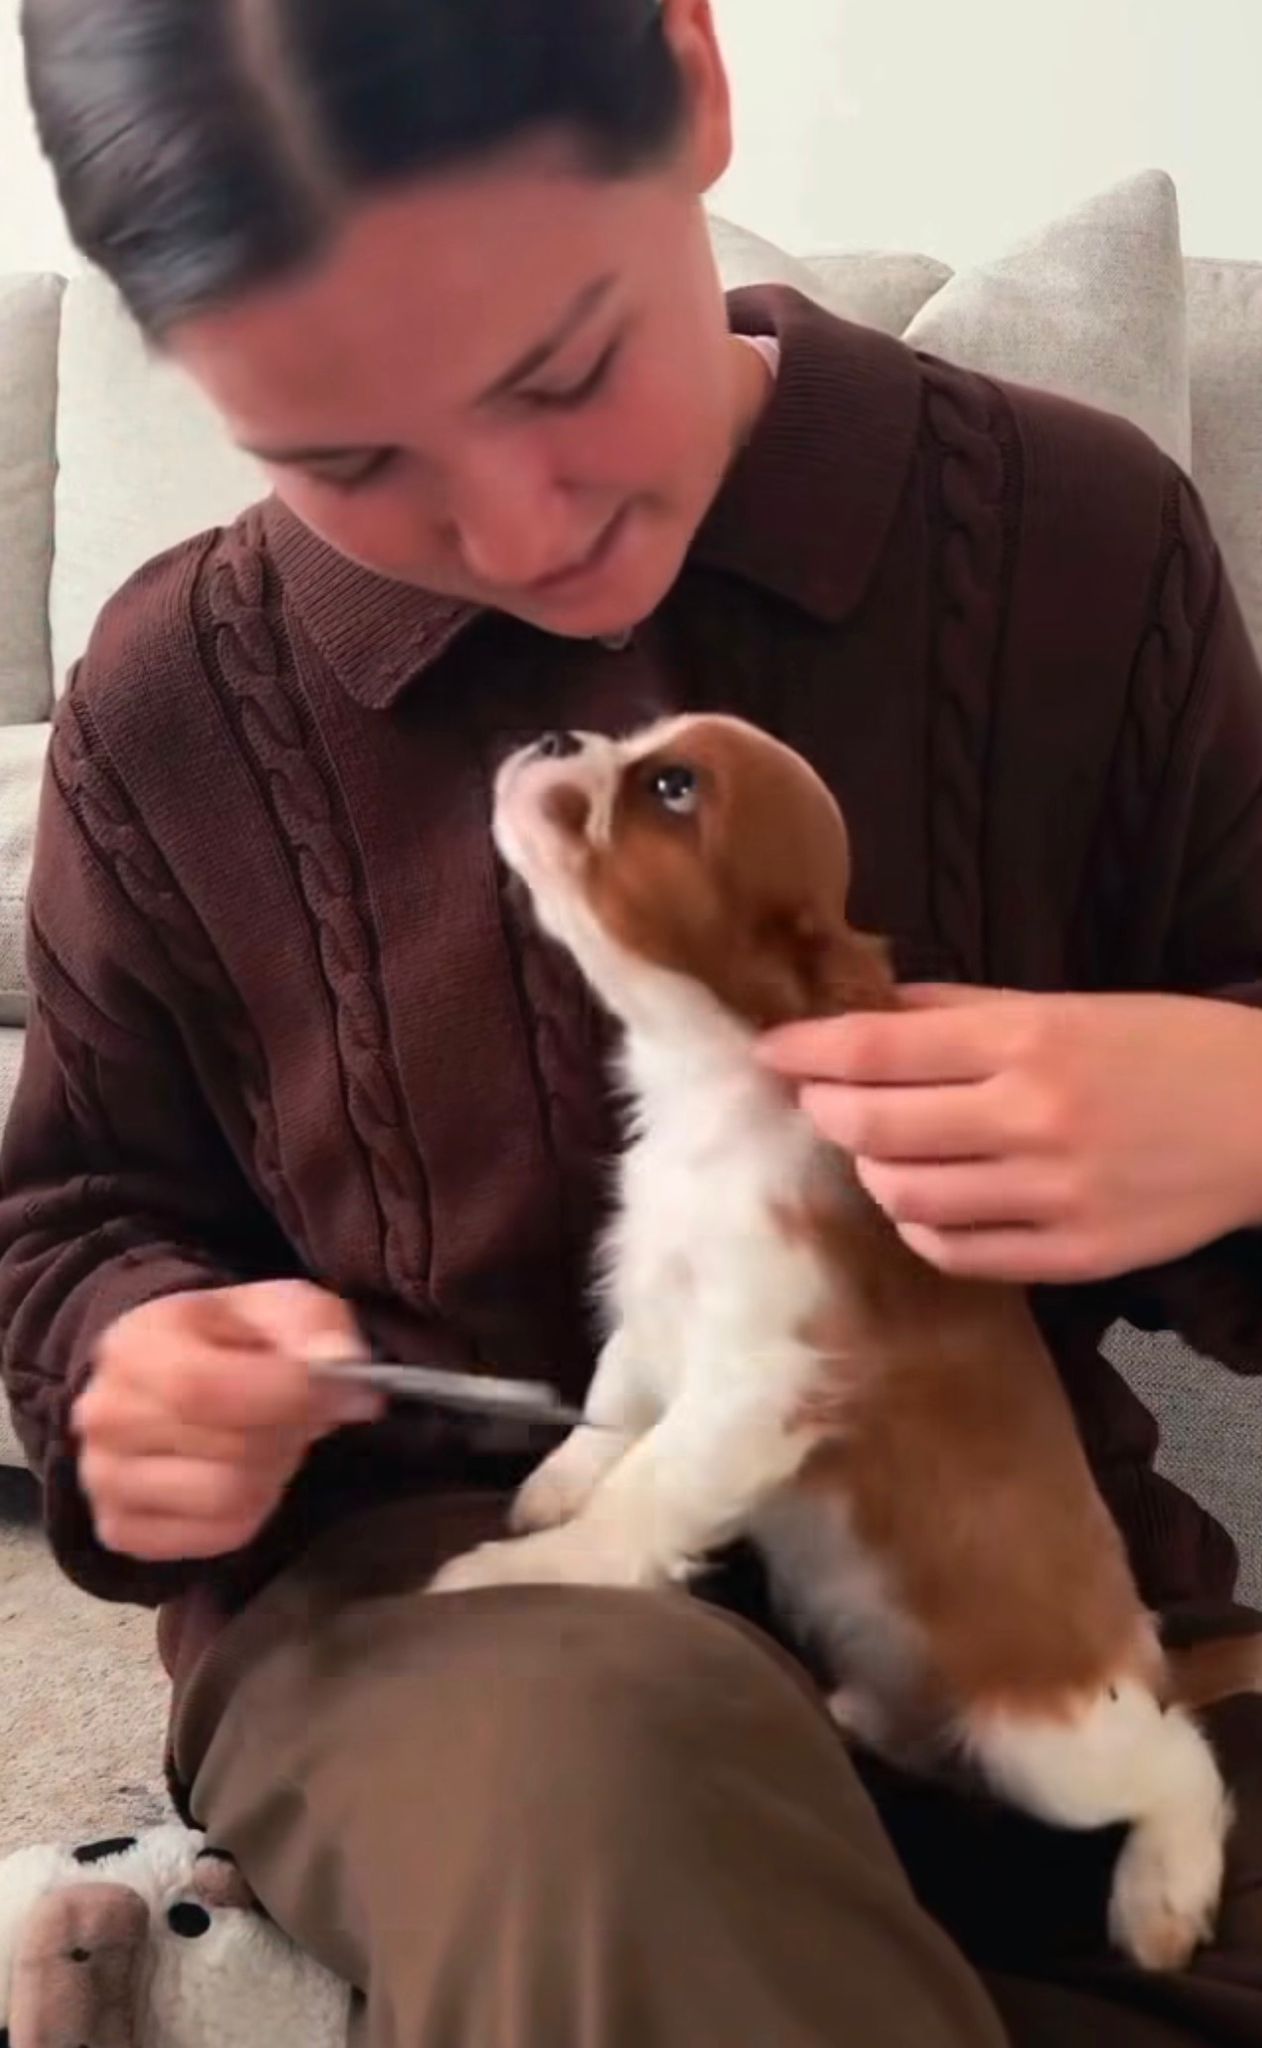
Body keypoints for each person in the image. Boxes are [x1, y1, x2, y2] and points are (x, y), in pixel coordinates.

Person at [3, 0, 1262, 2039]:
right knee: (613, 1796)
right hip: (439, 1614)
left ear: (689, 76)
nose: (519, 535)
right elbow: (69, 1223)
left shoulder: (1078, 538)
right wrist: (132, 1367)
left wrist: (1235, 1109)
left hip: (1008, 1573)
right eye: (343, 462)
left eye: (565, 369)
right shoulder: (172, 707)